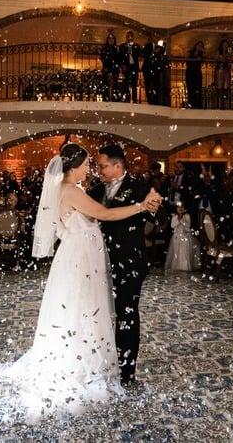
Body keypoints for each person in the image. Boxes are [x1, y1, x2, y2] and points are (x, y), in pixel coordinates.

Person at [8, 143, 161, 421]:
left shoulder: (72, 190)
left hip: (101, 259)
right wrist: (139, 206)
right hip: (82, 260)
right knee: (85, 308)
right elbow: (105, 214)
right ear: (73, 168)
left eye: (98, 165)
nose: (92, 170)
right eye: (88, 165)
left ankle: (117, 367)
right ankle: (83, 365)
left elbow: (149, 214)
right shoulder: (75, 191)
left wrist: (150, 204)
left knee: (96, 309)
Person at [88, 144, 165, 385]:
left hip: (130, 262)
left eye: (102, 166)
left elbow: (162, 218)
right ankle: (101, 363)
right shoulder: (95, 189)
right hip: (98, 262)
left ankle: (126, 373)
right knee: (98, 314)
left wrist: (155, 207)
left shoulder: (141, 188)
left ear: (118, 165)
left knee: (126, 314)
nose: (98, 169)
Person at [164, 202, 201, 272]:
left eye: (182, 207)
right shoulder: (174, 216)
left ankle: (185, 266)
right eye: (178, 207)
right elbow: (172, 225)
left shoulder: (187, 216)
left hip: (185, 235)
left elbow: (188, 225)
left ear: (185, 209)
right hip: (176, 236)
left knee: (185, 251)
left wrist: (182, 219)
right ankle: (176, 266)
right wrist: (178, 219)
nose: (180, 209)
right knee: (176, 251)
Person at [141, 31, 166, 105]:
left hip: (156, 69)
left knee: (156, 85)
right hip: (147, 68)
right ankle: (149, 100)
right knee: (148, 85)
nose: (156, 38)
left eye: (158, 37)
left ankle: (156, 101)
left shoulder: (161, 47)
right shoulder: (147, 45)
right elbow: (144, 55)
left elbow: (163, 55)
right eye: (155, 36)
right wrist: (153, 53)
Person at [118, 30, 142, 103]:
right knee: (126, 84)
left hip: (134, 67)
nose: (129, 38)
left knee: (134, 85)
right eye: (128, 37)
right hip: (126, 68)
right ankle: (126, 99)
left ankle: (134, 100)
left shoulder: (136, 46)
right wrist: (122, 66)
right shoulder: (122, 47)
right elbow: (119, 58)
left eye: (131, 36)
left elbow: (140, 54)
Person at [99, 32, 120, 101]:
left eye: (112, 39)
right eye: (110, 39)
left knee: (114, 85)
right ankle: (106, 98)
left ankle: (113, 98)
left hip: (114, 70)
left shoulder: (116, 49)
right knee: (106, 84)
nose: (111, 40)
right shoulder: (104, 49)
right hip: (106, 69)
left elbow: (117, 59)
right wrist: (106, 67)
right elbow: (103, 59)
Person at [185, 40, 205, 108]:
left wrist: (202, 52)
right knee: (190, 89)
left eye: (201, 46)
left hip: (197, 73)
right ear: (195, 45)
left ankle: (198, 105)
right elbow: (187, 59)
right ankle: (191, 104)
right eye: (198, 45)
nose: (199, 47)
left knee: (198, 89)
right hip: (190, 73)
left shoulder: (201, 54)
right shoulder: (190, 52)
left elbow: (201, 59)